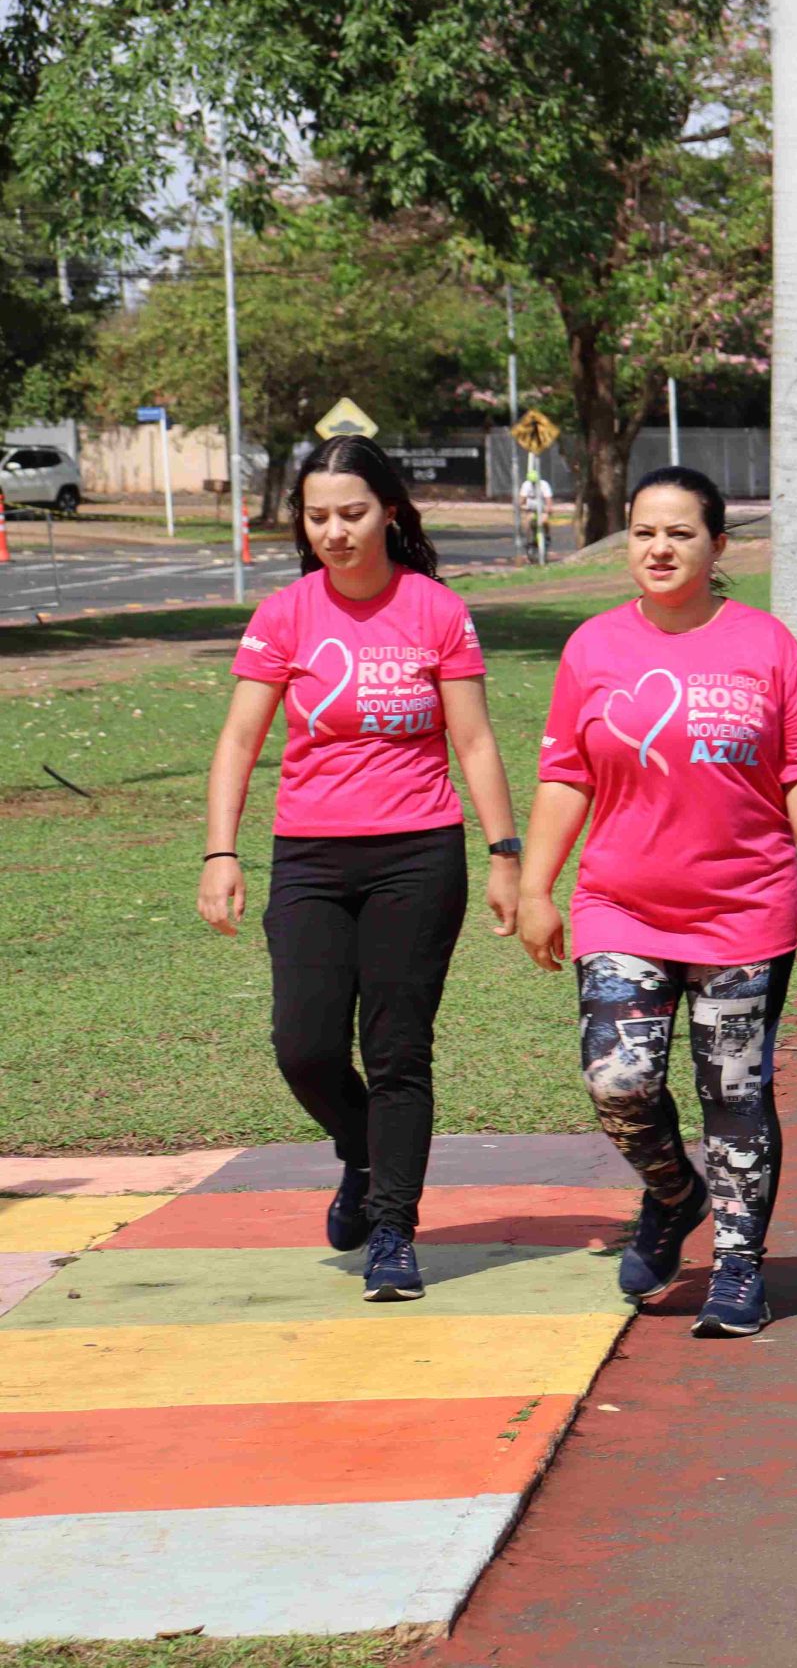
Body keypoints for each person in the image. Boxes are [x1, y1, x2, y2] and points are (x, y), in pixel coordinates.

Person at [517, 466, 797, 1338]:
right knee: (619, 1079)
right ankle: (675, 1196)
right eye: (644, 532)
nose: (660, 548)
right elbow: (566, 774)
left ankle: (739, 1266)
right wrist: (534, 885)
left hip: (745, 910)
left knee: (734, 1093)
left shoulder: (767, 645)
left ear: (718, 545)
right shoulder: (593, 648)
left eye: (680, 532)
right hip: (620, 907)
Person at [199, 434, 520, 1302]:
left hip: (417, 854)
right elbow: (239, 739)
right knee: (302, 1044)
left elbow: (476, 739)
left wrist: (505, 853)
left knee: (397, 1052)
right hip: (308, 854)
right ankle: (360, 1146)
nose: (334, 531)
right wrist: (221, 849)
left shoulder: (435, 611)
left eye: (351, 513)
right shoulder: (286, 614)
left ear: (389, 513)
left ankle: (392, 1230)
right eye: (317, 516)